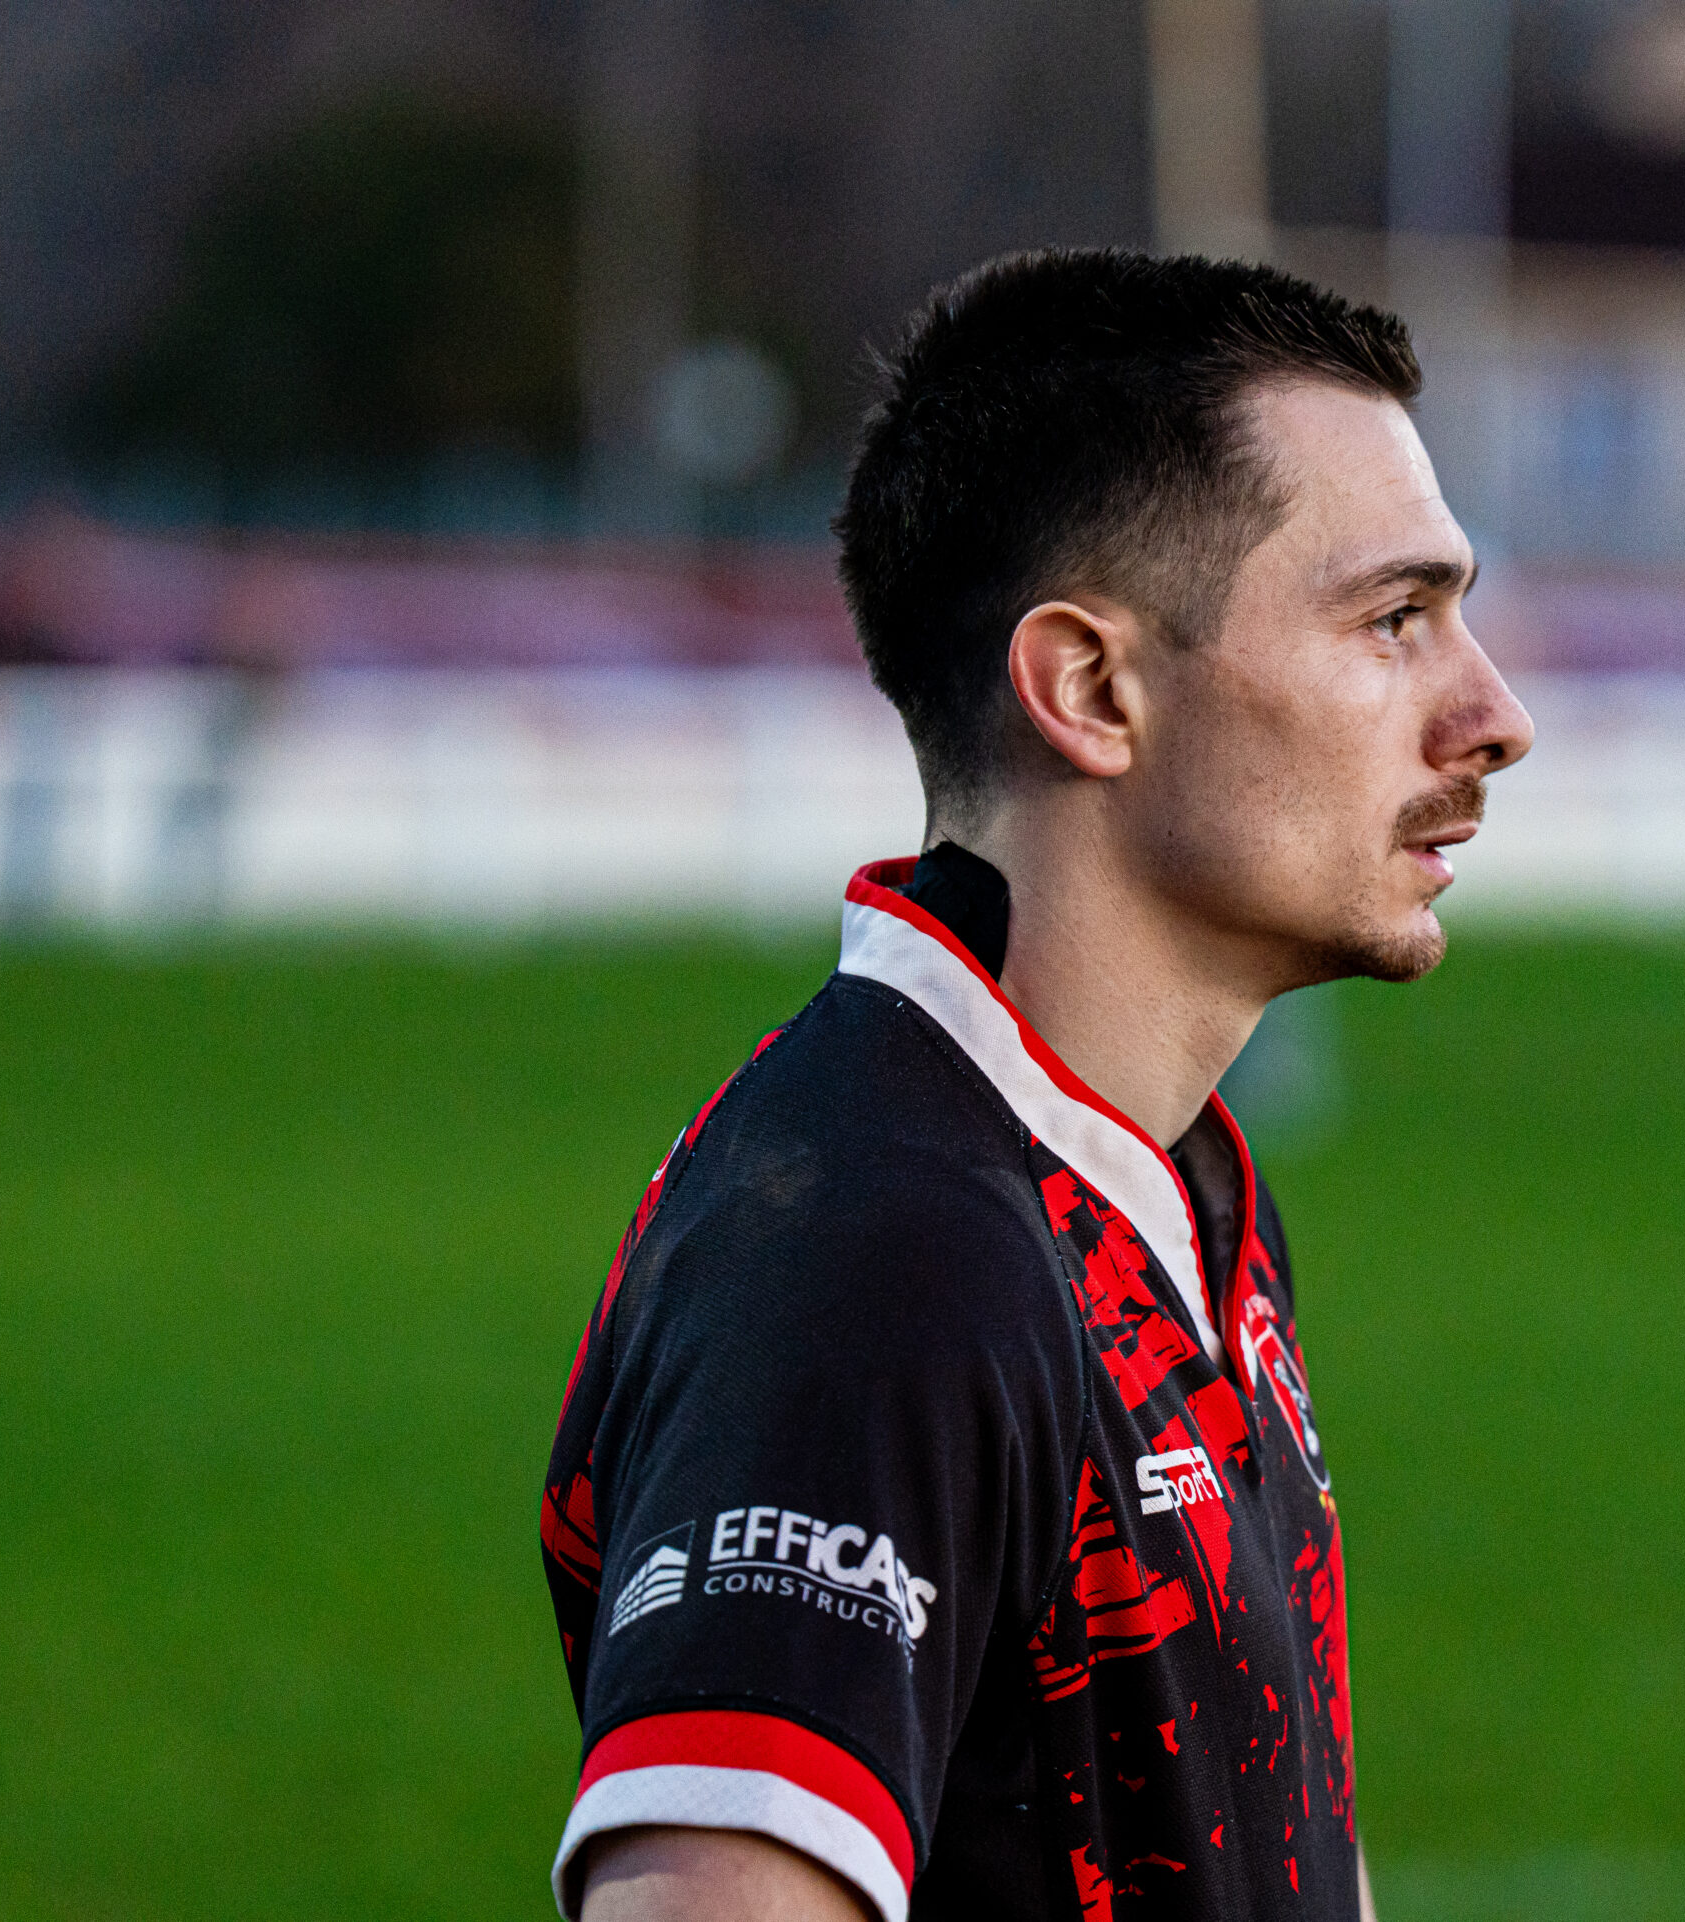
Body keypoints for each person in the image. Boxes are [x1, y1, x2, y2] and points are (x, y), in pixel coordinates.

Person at [538, 248, 1534, 1922]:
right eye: (1393, 621)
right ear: (1089, 688)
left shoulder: (1171, 1178)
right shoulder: (881, 1250)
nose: (1493, 715)